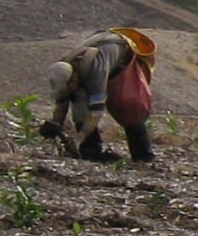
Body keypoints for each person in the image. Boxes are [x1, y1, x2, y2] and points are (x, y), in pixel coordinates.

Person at [43, 26, 159, 163]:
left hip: (123, 58)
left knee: (129, 106)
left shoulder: (95, 71)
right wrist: (55, 122)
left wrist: (78, 138)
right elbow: (64, 97)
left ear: (74, 78)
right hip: (101, 55)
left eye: (69, 87)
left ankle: (143, 156)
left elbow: (96, 111)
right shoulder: (66, 67)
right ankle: (90, 151)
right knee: (80, 107)